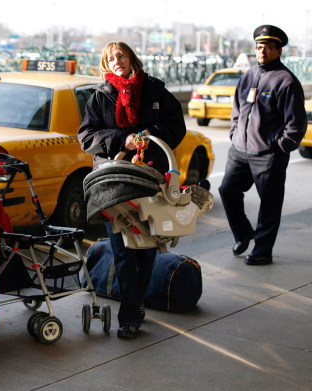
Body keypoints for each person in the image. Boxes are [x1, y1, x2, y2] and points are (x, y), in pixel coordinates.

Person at [78, 41, 186, 338]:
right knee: (123, 249)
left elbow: (177, 128)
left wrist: (151, 134)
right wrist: (122, 140)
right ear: (105, 64)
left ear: (131, 58)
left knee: (148, 248)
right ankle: (130, 318)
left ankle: (135, 305)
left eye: (121, 55)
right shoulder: (100, 96)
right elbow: (86, 138)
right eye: (110, 58)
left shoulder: (155, 91)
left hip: (150, 181)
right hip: (113, 183)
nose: (117, 61)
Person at [219, 25, 307, 266]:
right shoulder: (248, 75)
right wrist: (234, 131)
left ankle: (263, 250)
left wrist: (280, 145)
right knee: (227, 190)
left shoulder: (286, 81)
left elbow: (296, 123)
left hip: (268, 154)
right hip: (239, 150)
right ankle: (243, 233)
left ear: (278, 50)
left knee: (269, 203)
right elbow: (237, 108)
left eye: (268, 47)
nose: (262, 51)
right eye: (259, 46)